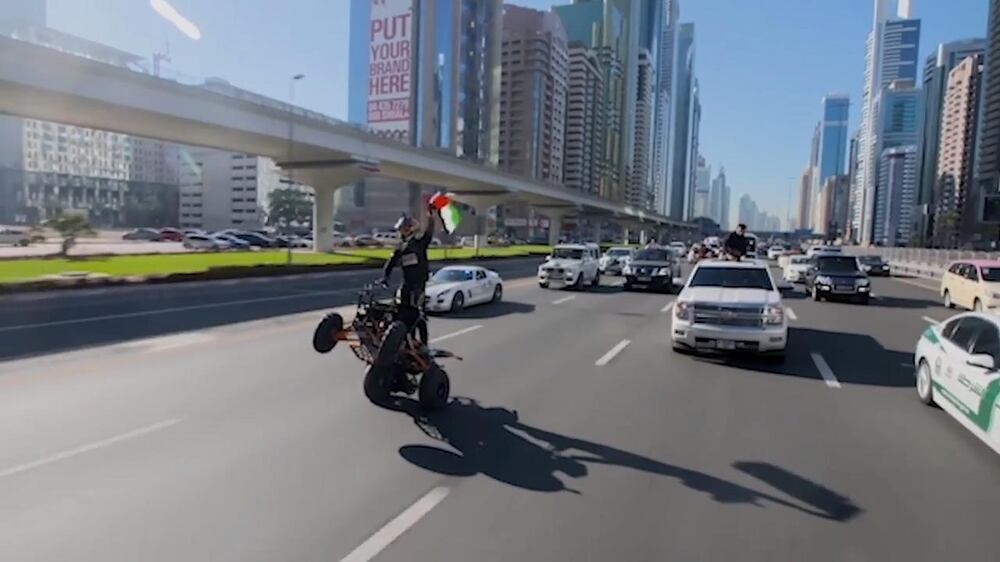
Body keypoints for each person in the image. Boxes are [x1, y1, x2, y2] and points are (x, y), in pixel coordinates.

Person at [382, 203, 439, 339]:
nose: (401, 232)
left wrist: (431, 217)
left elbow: (429, 233)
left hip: (419, 284)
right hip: (407, 283)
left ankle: (424, 344)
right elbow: (390, 263)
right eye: (400, 229)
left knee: (418, 315)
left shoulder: (420, 242)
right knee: (402, 312)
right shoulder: (401, 247)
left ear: (410, 229)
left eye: (403, 229)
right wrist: (385, 277)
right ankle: (408, 339)